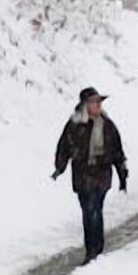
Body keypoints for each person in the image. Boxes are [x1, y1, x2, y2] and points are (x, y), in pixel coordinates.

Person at [53, 87, 129, 265]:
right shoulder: (75, 125)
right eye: (94, 102)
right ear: (84, 105)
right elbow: (64, 147)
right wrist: (59, 168)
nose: (97, 105)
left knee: (94, 209)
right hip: (82, 174)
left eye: (99, 102)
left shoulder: (107, 125)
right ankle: (91, 248)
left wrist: (122, 175)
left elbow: (117, 152)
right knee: (87, 211)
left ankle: (95, 250)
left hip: (101, 173)